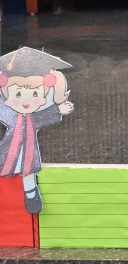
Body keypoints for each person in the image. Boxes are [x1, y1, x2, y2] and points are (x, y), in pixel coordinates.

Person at [0, 47, 74, 214]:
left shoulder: (34, 118)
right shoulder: (8, 114)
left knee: (29, 170)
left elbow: (44, 116)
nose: (26, 101)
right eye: (18, 94)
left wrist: (59, 110)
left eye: (35, 93)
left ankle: (31, 193)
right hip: (7, 149)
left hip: (29, 151)